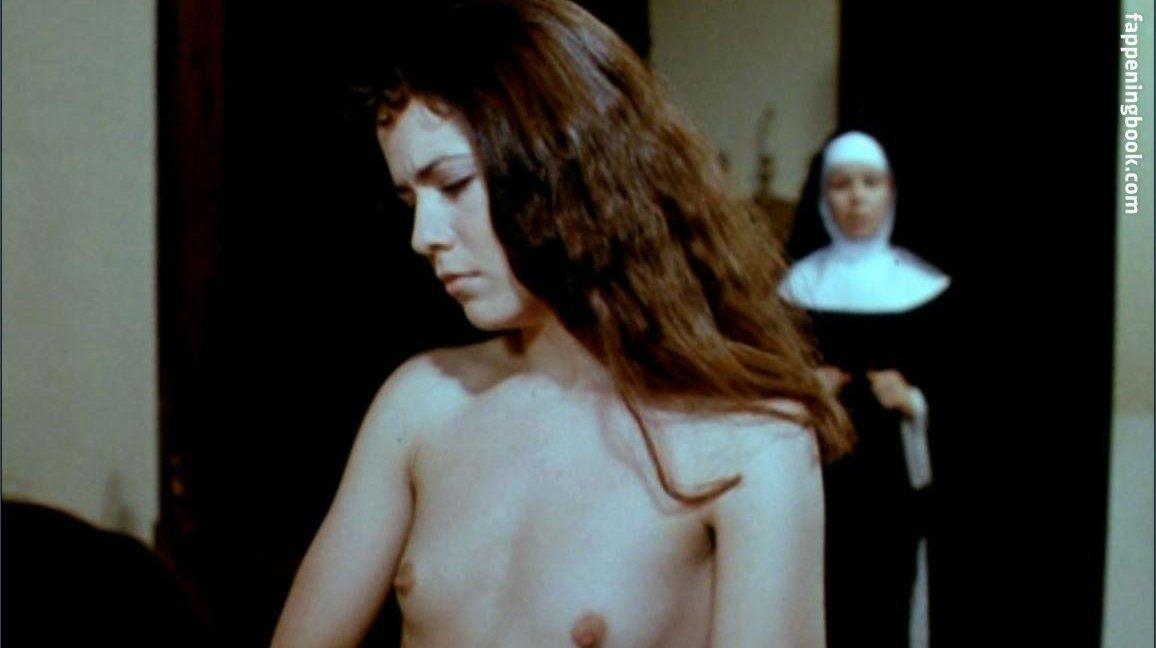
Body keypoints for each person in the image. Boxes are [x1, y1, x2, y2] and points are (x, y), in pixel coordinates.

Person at [272, 1, 851, 646]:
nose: (423, 235)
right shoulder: (421, 403)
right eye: (411, 200)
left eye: (454, 185)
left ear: (566, 168)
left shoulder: (748, 441)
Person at [780, 130, 952, 648]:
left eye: (870, 183)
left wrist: (914, 401)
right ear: (823, 197)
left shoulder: (928, 289)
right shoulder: (793, 289)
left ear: (891, 192)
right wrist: (802, 390)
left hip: (894, 490)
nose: (857, 197)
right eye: (842, 184)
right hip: (817, 487)